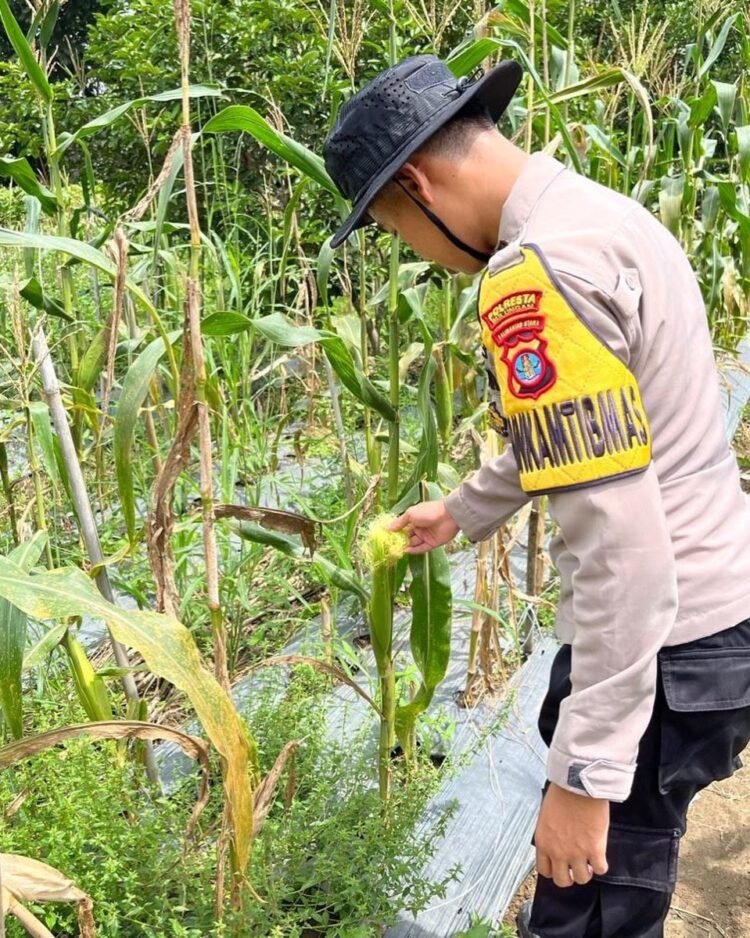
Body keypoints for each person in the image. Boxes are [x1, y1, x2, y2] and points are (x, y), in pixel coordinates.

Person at [322, 53, 750, 938]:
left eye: (396, 226)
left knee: (588, 911)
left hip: (665, 651)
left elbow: (622, 551)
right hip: (717, 620)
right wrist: (465, 509)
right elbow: (594, 423)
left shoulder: (535, 275)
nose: (417, 252)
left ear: (417, 183)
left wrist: (587, 777)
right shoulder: (602, 215)